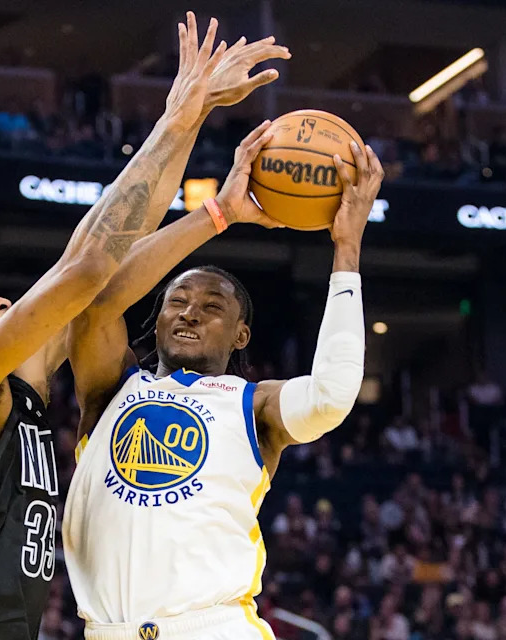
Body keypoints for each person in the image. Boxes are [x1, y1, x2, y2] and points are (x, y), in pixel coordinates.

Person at [0, 13, 288, 640]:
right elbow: (85, 266)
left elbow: (100, 294)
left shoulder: (12, 376)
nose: (0, 302)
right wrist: (181, 115)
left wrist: (216, 213)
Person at [62, 131, 383, 637]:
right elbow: (96, 299)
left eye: (212, 307)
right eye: (177, 301)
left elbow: (330, 395)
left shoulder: (253, 404)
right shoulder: (110, 389)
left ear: (241, 335)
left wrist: (347, 248)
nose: (190, 312)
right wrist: (218, 214)